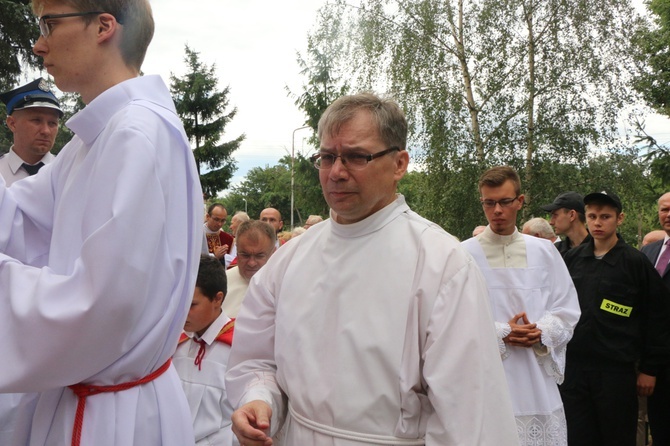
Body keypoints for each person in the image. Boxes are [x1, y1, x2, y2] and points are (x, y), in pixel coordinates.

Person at [225, 93, 518, 445]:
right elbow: (256, 361)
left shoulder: (443, 265)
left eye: (356, 157)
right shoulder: (289, 260)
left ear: (399, 164)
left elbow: (470, 413)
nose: (336, 172)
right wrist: (258, 400)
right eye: (327, 157)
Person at [0, 1, 203, 445]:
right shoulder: (93, 140)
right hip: (87, 398)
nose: (38, 44)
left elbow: (98, 307)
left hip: (111, 419)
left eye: (49, 24)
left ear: (104, 27)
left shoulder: (136, 134)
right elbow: (19, 221)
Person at [461, 166, 581, 446]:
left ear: (520, 201)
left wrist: (541, 332)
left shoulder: (544, 251)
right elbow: (452, 317)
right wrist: (500, 332)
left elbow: (567, 308)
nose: (497, 210)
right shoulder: (464, 254)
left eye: (504, 201)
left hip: (535, 376)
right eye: (489, 203)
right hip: (486, 375)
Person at [562, 190, 670, 446]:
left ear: (620, 218)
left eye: (605, 216)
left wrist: (649, 369)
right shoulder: (572, 260)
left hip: (616, 372)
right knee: (577, 436)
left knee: (616, 436)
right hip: (575, 370)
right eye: (592, 216)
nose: (598, 223)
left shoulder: (635, 263)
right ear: (584, 217)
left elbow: (657, 318)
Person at [174, 255, 236, 446]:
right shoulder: (176, 345)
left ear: (218, 299)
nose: (182, 311)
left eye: (192, 305)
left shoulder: (239, 349)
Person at [639, 192, 670, 446]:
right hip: (653, 361)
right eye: (664, 209)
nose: (668, 215)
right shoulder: (648, 252)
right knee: (659, 426)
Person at [0, 78, 62, 185]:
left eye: (52, 123)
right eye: (36, 120)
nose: (46, 131)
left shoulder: (68, 171)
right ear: (12, 124)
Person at [221, 220, 276, 319]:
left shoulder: (284, 286)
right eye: (245, 255)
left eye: (259, 256)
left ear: (273, 252)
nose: (251, 263)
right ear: (236, 250)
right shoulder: (220, 283)